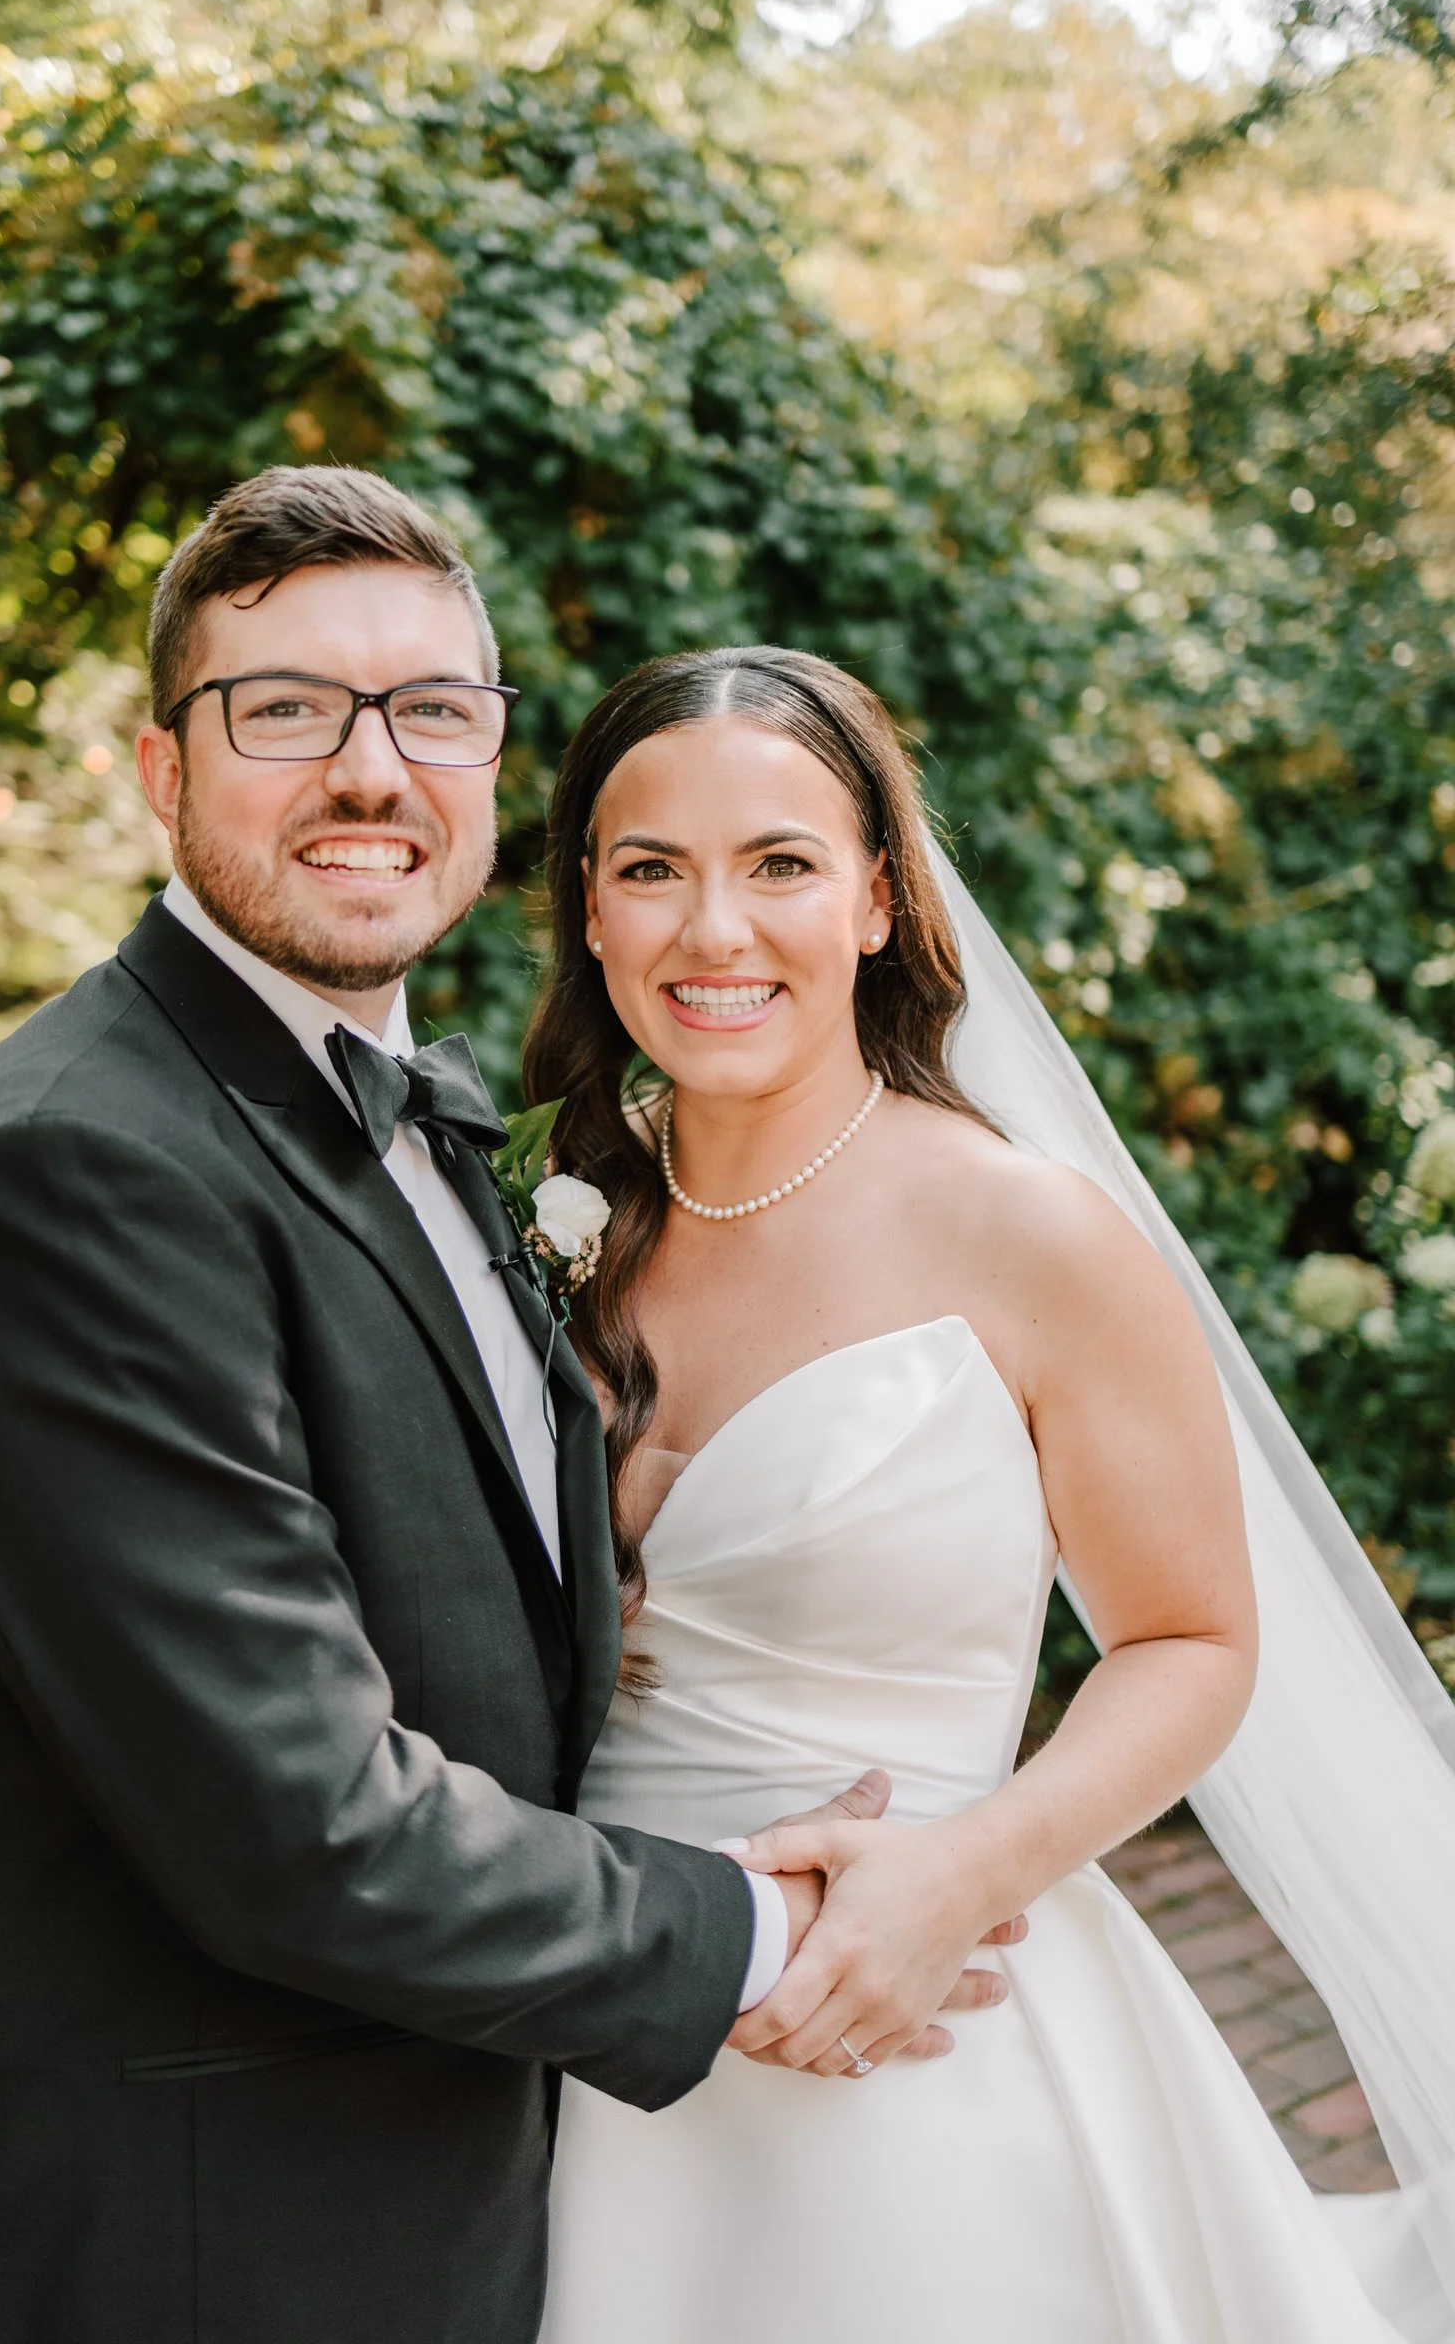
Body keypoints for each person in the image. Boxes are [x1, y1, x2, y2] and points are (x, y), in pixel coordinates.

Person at [0, 472, 1013, 2344]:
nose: (370, 772)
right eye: (285, 709)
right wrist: (780, 1931)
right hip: (206, 2248)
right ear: (162, 768)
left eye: (433, 715)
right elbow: (297, 1824)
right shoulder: (78, 1171)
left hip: (479, 2185)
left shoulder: (429, 1120)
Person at [529, 645, 1455, 2344]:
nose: (713, 931)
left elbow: (1188, 1640)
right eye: (650, 869)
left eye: (782, 866)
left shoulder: (1029, 1237)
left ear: (879, 899)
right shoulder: (545, 1226)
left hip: (923, 2038)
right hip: (577, 2031)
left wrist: (964, 1871)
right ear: (588, 910)